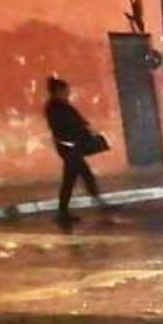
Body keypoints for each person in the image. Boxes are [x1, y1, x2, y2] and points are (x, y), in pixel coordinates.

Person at [43, 77, 106, 231]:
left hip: (69, 147)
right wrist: (84, 132)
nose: (68, 93)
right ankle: (99, 203)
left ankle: (64, 212)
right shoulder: (57, 107)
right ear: (59, 91)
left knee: (71, 179)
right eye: (65, 90)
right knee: (83, 175)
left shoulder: (57, 106)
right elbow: (70, 125)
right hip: (69, 147)